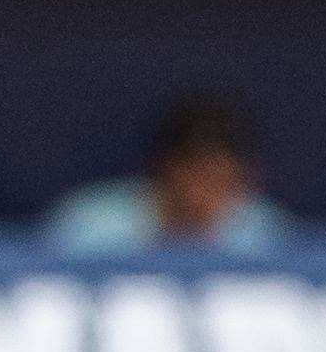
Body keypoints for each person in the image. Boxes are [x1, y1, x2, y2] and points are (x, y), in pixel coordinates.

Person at [44, 95, 292, 251]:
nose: (208, 196)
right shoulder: (92, 225)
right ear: (170, 168)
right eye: (201, 177)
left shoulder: (261, 232)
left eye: (225, 183)